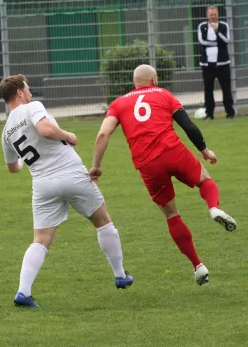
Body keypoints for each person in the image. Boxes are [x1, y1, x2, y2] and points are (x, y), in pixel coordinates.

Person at [89, 64, 237, 286]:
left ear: (133, 83)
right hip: (172, 151)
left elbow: (102, 134)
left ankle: (198, 265)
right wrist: (204, 150)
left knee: (171, 214)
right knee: (204, 180)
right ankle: (213, 207)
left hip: (148, 165)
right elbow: (188, 125)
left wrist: (97, 165)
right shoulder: (164, 94)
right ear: (155, 80)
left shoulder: (119, 103)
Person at [0, 74, 133, 308]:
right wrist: (68, 135)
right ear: (19, 93)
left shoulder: (6, 132)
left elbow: (13, 168)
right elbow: (46, 130)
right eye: (28, 89)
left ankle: (23, 291)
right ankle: (120, 275)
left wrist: (23, 160)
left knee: (41, 240)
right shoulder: (33, 107)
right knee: (102, 221)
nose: (30, 93)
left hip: (42, 184)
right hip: (70, 173)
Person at [197, 6, 235, 120]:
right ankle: (209, 114)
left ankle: (230, 113)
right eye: (211, 15)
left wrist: (216, 31)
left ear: (217, 15)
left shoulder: (224, 26)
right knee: (208, 89)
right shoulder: (202, 26)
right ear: (207, 16)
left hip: (223, 63)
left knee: (226, 88)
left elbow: (227, 41)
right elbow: (202, 42)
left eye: (214, 14)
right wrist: (217, 44)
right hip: (207, 64)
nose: (213, 17)